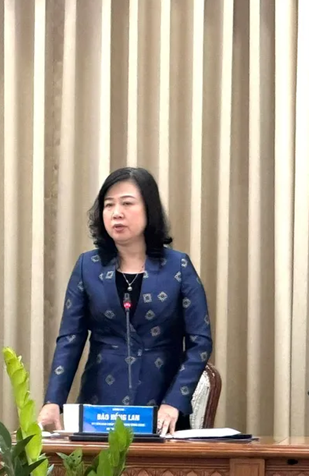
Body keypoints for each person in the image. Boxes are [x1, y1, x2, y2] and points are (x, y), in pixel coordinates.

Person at [38, 167, 213, 436]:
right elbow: (70, 339)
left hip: (161, 406)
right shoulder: (88, 266)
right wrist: (53, 401)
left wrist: (174, 402)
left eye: (127, 203)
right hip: (100, 405)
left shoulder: (178, 267)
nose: (116, 213)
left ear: (149, 209)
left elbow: (200, 342)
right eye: (109, 205)